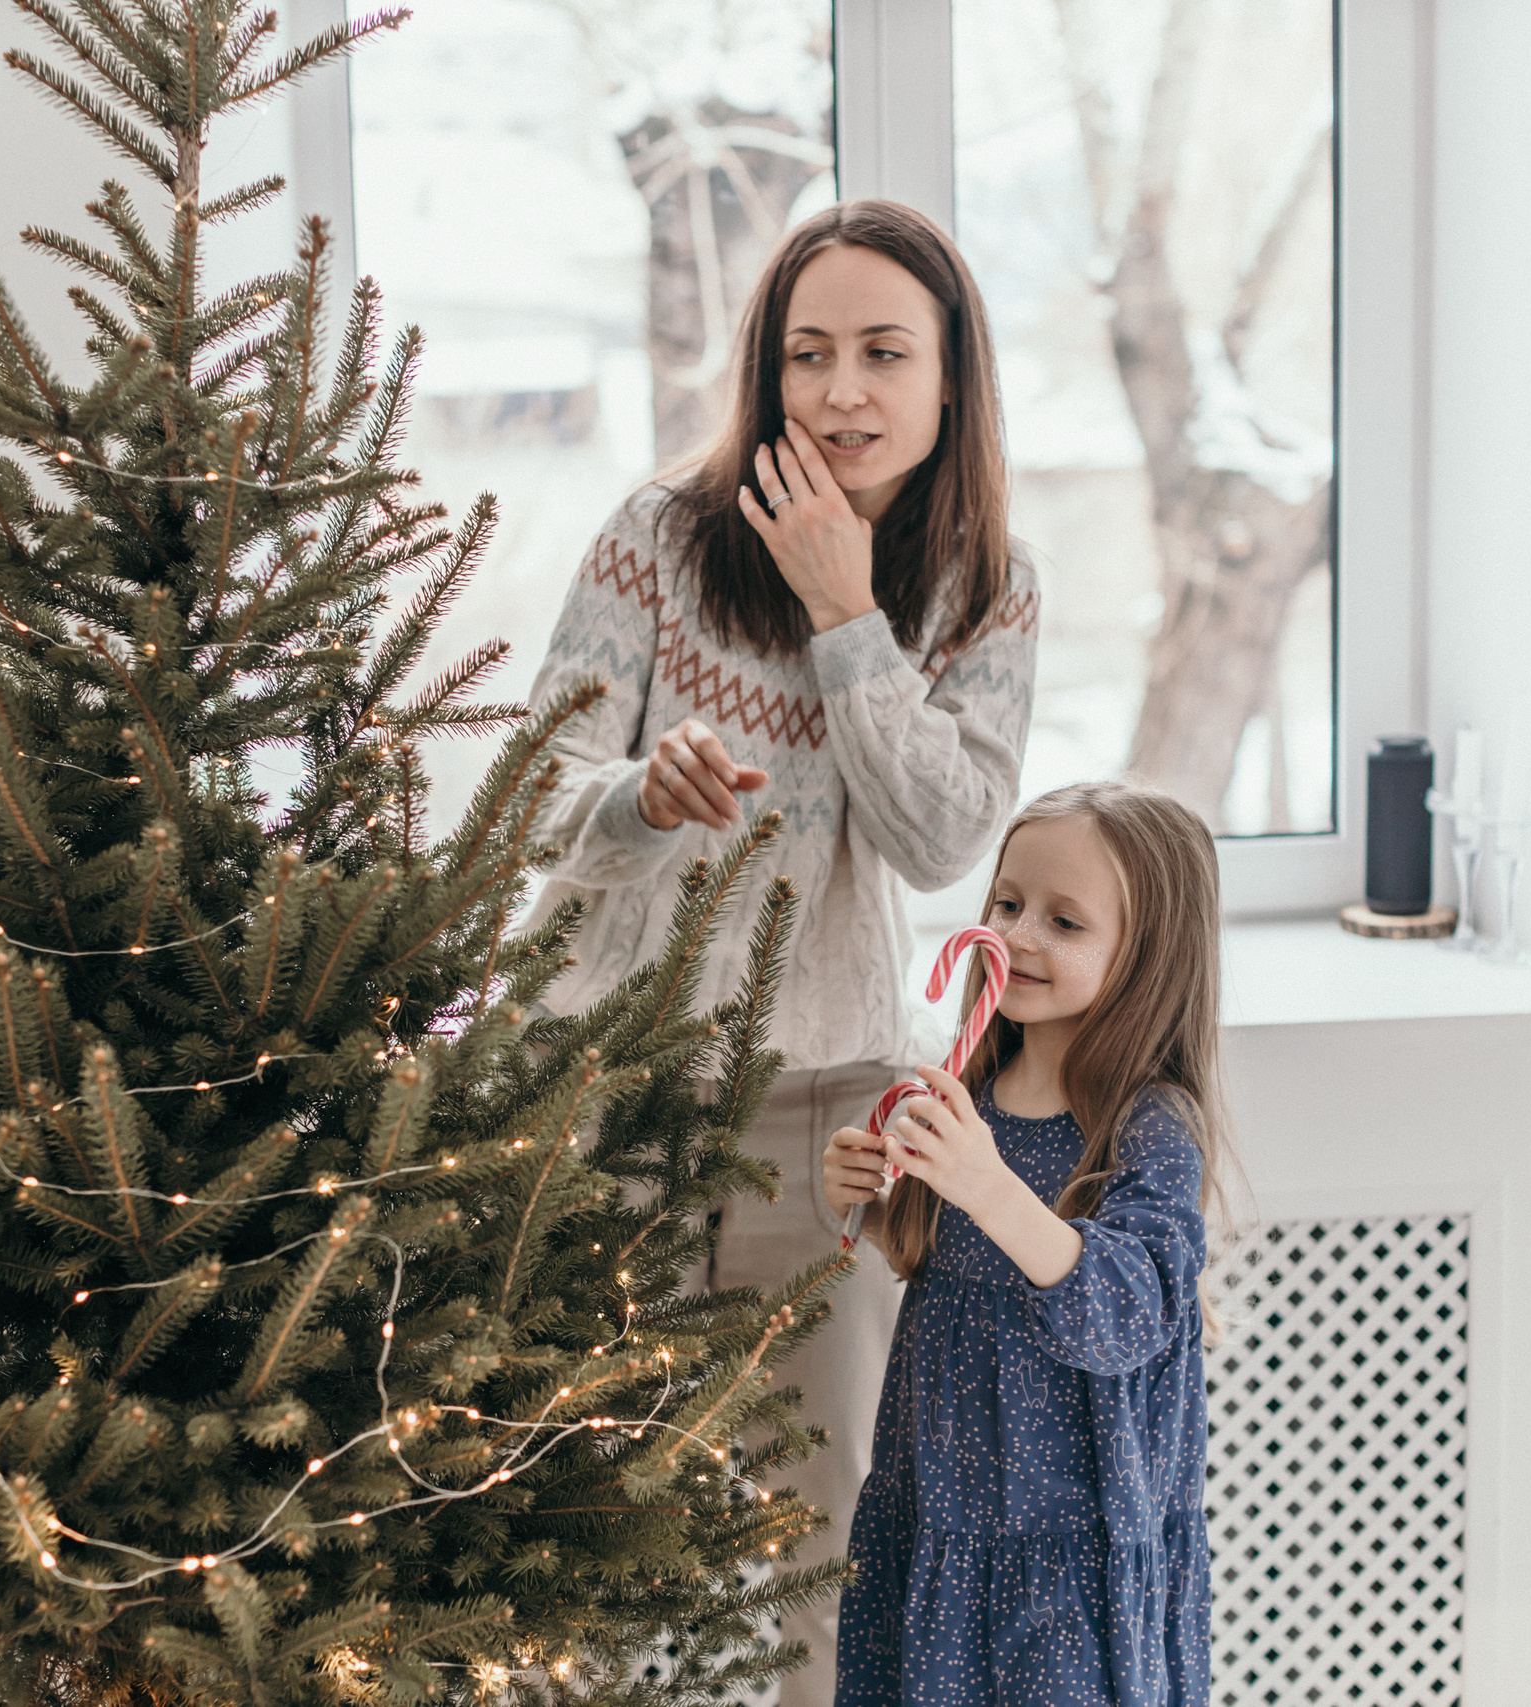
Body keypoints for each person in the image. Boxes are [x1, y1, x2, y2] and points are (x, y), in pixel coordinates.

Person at [521, 198, 1040, 1707]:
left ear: (952, 381)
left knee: (835, 1569)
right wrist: (634, 794)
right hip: (616, 1103)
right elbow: (532, 798)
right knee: (577, 1555)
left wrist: (842, 609)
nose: (841, 392)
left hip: (835, 1121)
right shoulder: (660, 542)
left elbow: (944, 834)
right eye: (808, 354)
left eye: (885, 353)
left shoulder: (985, 586)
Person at [822, 781, 1240, 1707]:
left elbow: (1125, 1312)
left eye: (1065, 921)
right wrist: (869, 1202)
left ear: (1149, 957)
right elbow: (941, 1259)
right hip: (942, 1516)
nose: (1017, 936)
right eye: (1007, 904)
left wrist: (988, 1183)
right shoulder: (971, 1088)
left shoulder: (1147, 1125)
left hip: (1067, 1553)